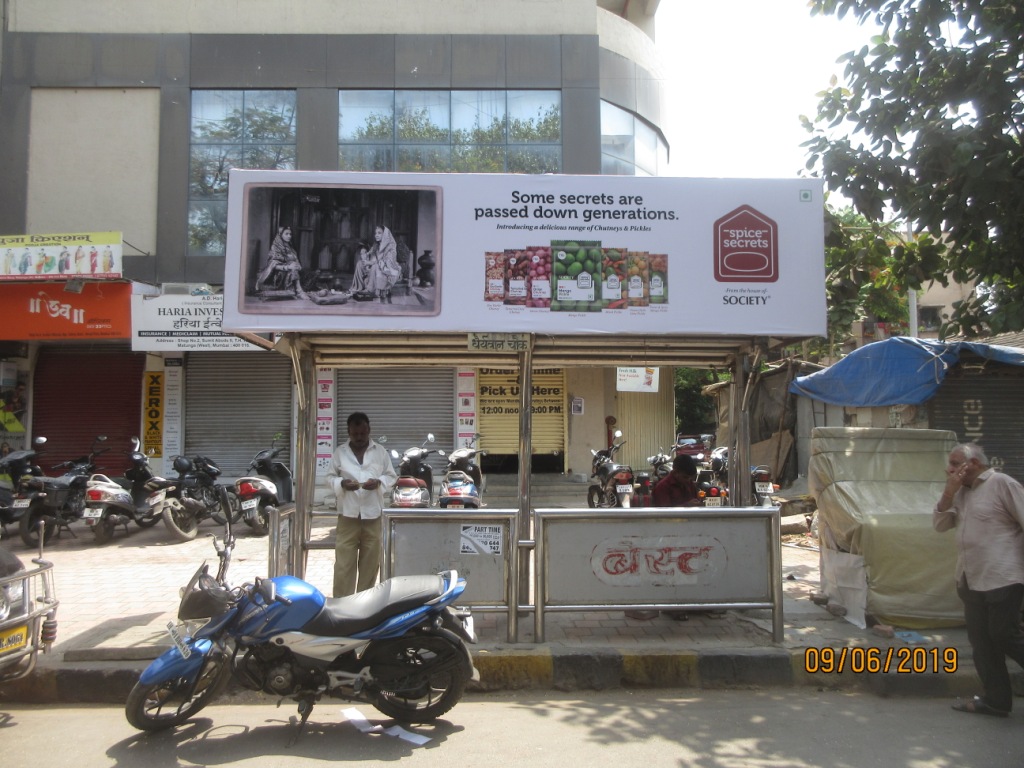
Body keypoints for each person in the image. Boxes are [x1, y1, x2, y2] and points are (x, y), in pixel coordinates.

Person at [934, 442, 1024, 718]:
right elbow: (939, 525)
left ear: (973, 464)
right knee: (982, 642)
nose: (949, 469)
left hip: (1002, 576)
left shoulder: (1002, 484)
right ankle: (996, 701)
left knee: (1003, 634)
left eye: (954, 463)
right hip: (970, 578)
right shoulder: (960, 492)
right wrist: (948, 494)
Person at [326, 411, 397, 597]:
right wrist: (341, 483)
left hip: (373, 516)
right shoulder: (340, 452)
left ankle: (365, 604)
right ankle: (342, 605)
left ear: (368, 431)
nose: (359, 438)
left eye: (362, 434)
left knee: (370, 565)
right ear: (349, 432)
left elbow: (391, 476)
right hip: (347, 516)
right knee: (343, 564)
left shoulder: (380, 452)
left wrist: (379, 482)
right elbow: (329, 477)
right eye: (355, 434)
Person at [627, 454, 704, 622]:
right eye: (685, 477)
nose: (687, 480)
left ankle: (690, 602)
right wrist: (687, 506)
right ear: (675, 472)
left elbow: (696, 501)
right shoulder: (663, 487)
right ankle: (672, 606)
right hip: (667, 535)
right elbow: (664, 513)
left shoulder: (690, 485)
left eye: (690, 478)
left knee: (690, 569)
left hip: (688, 532)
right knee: (673, 571)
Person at [254, 226, 308, 299]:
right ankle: (299, 291)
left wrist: (298, 266)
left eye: (290, 234)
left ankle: (296, 291)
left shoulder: (290, 247)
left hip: (291, 269)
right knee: (292, 270)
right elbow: (272, 264)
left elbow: (295, 259)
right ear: (280, 234)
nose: (289, 236)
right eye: (286, 234)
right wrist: (287, 267)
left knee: (309, 273)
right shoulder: (275, 247)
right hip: (279, 273)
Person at [369, 225, 400, 303]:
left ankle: (382, 291)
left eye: (379, 233)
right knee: (374, 267)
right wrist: (372, 261)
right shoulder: (376, 245)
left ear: (385, 235)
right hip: (379, 264)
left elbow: (390, 259)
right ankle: (375, 291)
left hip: (389, 265)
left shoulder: (390, 245)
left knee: (378, 268)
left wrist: (380, 262)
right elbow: (373, 257)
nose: (376, 235)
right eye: (375, 233)